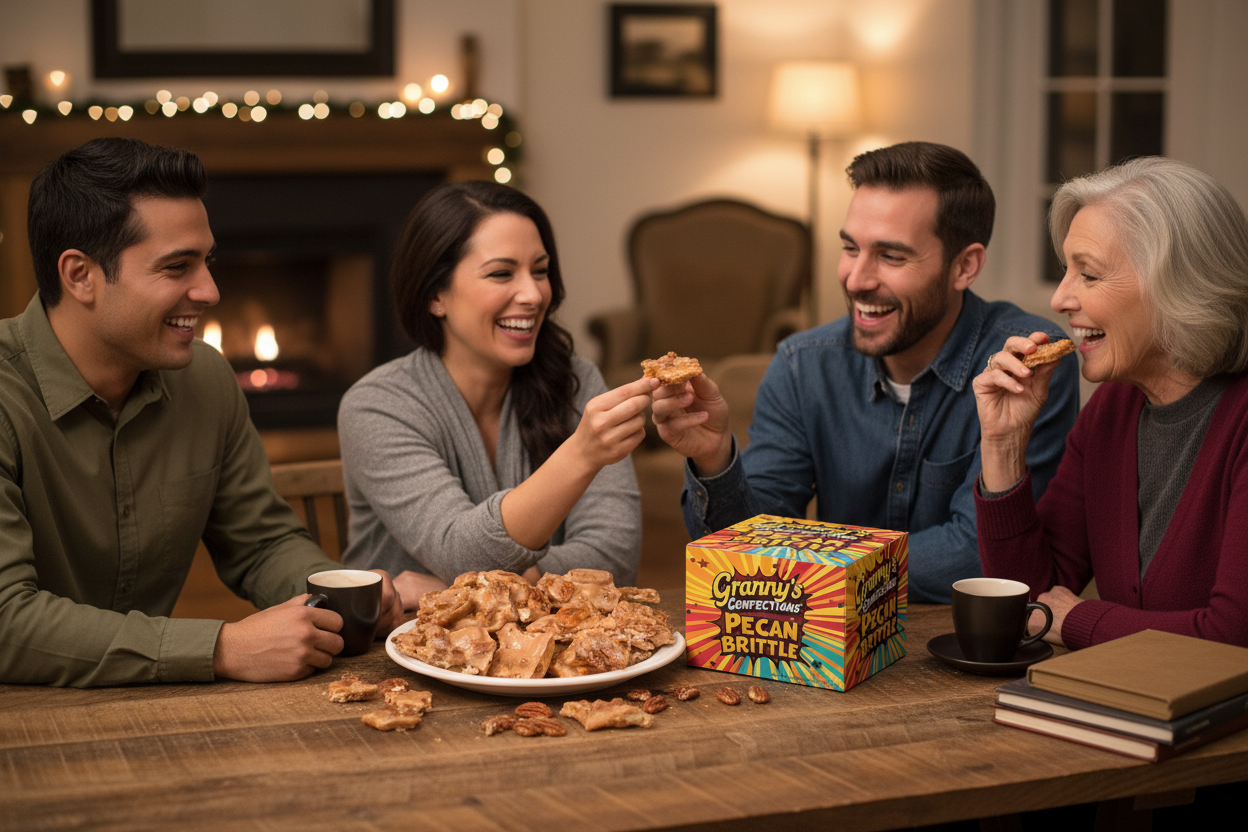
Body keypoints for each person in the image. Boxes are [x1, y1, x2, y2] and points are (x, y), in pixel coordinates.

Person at [0, 137, 402, 687]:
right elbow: (5, 620)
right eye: (176, 267)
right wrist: (220, 647)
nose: (210, 290)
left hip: (159, 713)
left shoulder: (206, 380)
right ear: (79, 276)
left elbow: (261, 544)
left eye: (206, 261)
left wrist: (334, 595)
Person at [652, 141, 1079, 603]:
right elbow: (744, 555)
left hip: (965, 645)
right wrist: (715, 458)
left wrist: (806, 568)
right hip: (827, 648)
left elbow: (979, 557)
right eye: (850, 247)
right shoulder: (803, 364)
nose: (856, 278)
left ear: (965, 266)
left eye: (891, 256)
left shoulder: (1023, 367)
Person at [974, 156, 1248, 649]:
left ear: (1179, 286)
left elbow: (1231, 638)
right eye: (1065, 271)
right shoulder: (1110, 410)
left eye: (1090, 275)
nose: (1059, 299)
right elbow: (1030, 602)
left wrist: (1079, 621)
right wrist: (1003, 445)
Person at [338, 181, 650, 607]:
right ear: (435, 295)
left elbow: (615, 560)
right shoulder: (377, 406)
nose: (533, 294)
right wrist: (583, 453)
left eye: (540, 271)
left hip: (554, 662)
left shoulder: (577, 380)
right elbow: (458, 551)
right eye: (502, 273)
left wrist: (455, 590)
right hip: (403, 654)